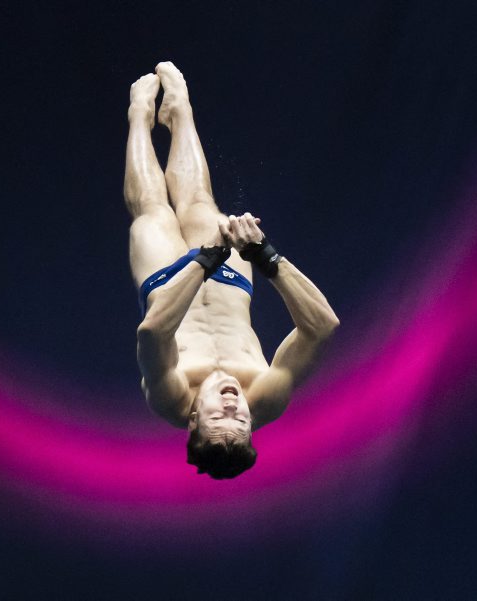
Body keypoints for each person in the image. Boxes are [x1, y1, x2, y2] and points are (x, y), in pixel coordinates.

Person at [124, 62, 340, 479]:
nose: (232, 405)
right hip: (229, 278)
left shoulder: (169, 399)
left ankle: (139, 115)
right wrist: (265, 255)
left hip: (168, 285)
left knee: (153, 211)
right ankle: (180, 110)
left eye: (218, 416)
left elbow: (152, 333)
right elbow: (322, 327)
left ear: (193, 421)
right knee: (199, 202)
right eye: (241, 419)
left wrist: (205, 260)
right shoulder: (267, 398)